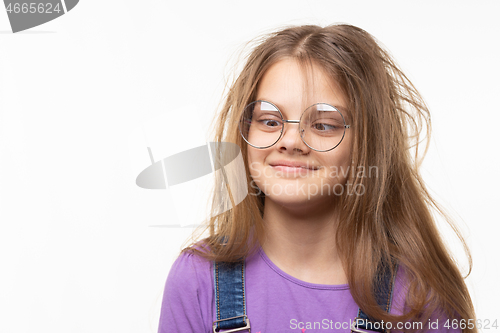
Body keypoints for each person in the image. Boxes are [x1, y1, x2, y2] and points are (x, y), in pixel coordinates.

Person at [157, 24, 476, 333]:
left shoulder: (419, 299)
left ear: (367, 144)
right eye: (269, 121)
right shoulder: (198, 280)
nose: (291, 141)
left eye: (323, 125)